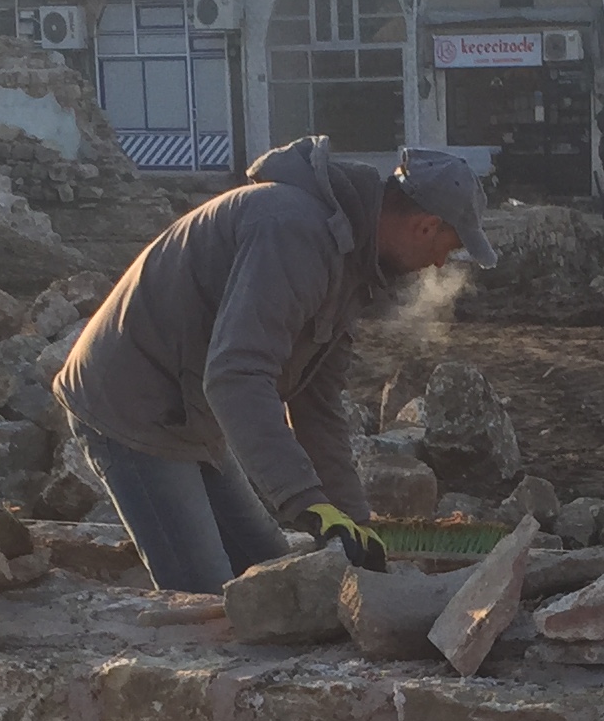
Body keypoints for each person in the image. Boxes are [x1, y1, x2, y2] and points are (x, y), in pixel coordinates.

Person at [55, 139, 494, 594]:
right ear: (426, 226)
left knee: (266, 573)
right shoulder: (294, 231)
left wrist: (352, 520)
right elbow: (236, 376)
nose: (441, 263)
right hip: (132, 406)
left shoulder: (351, 260)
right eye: (449, 246)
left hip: (193, 408)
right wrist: (306, 501)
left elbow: (317, 402)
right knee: (208, 596)